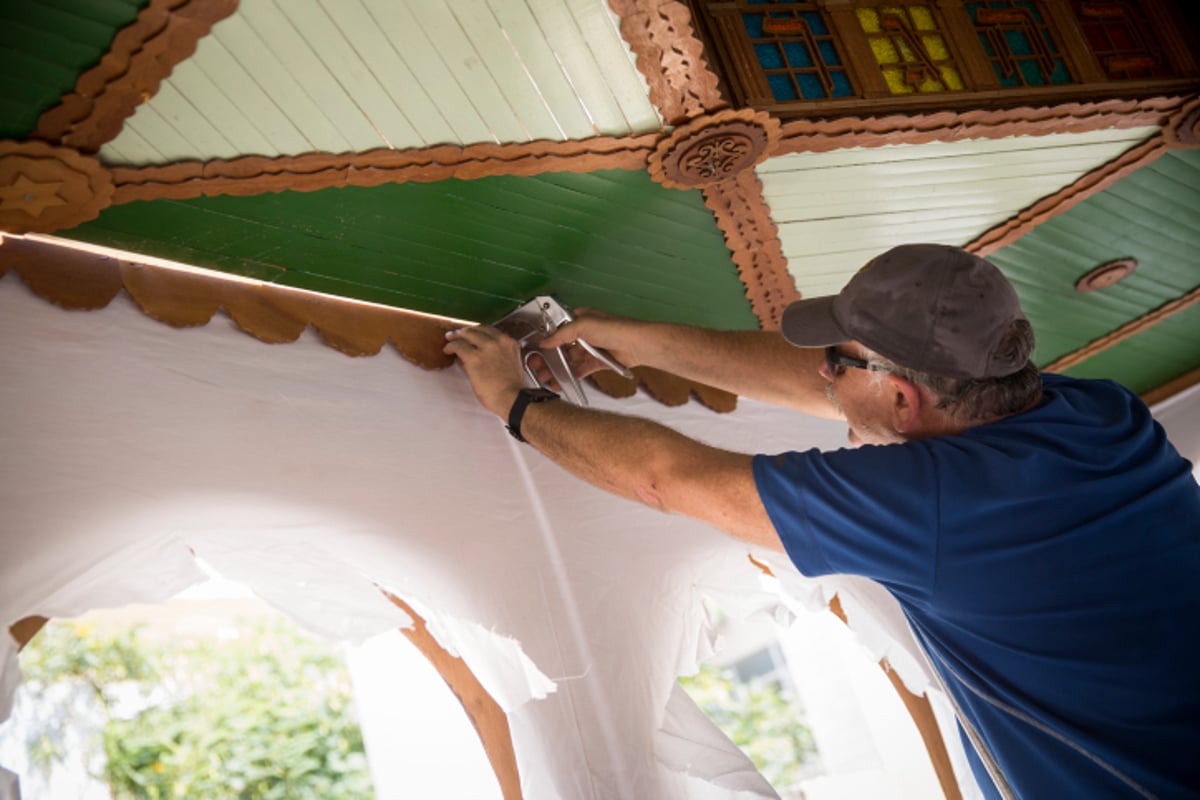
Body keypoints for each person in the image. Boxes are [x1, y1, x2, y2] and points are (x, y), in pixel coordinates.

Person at [444, 243, 1200, 799]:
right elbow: (836, 390)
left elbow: (666, 479)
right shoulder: (1097, 413)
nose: (820, 373)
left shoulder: (931, 503)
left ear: (906, 401)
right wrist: (648, 345)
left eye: (835, 360)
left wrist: (515, 401)